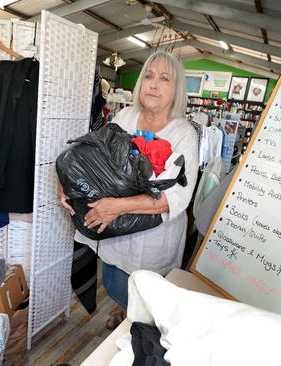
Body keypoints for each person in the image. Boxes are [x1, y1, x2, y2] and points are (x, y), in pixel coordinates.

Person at [58, 52, 198, 329]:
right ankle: (124, 312)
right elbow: (93, 156)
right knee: (117, 282)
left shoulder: (183, 134)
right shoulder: (126, 116)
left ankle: (137, 330)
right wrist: (67, 184)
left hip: (152, 239)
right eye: (148, 76)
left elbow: (176, 198)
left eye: (164, 78)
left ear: (176, 89)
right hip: (117, 234)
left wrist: (117, 206)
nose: (153, 84)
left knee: (146, 297)